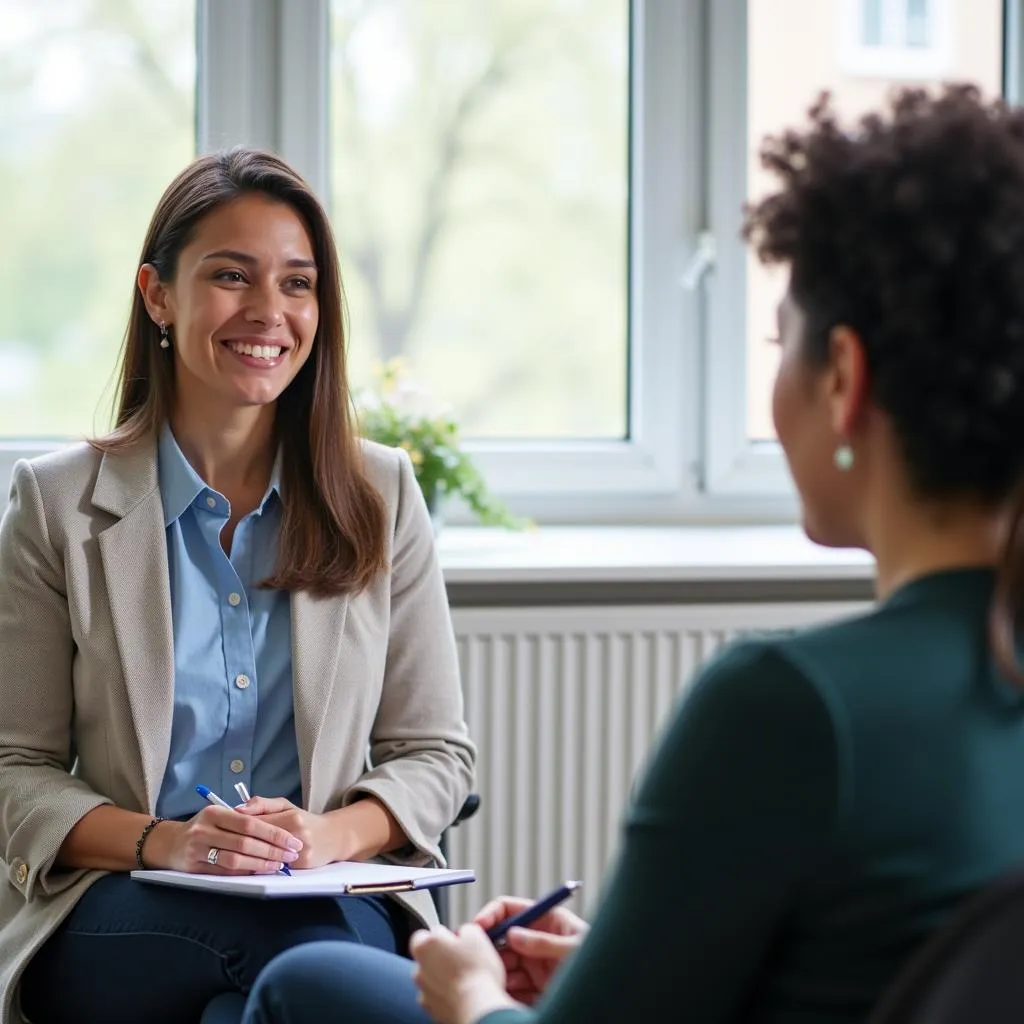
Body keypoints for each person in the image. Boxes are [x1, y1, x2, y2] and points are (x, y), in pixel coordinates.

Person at [241, 83, 1024, 1024]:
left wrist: (479, 1003)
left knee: (306, 983)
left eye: (782, 343)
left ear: (844, 378)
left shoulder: (790, 708)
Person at [0, 147, 476, 1024]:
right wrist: (172, 843)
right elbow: (13, 767)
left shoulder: (380, 495)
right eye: (231, 276)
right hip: (123, 900)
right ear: (158, 297)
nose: (269, 312)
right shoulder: (57, 503)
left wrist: (326, 836)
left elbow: (436, 754)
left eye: (298, 284)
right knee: (310, 969)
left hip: (331, 891)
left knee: (263, 1002)